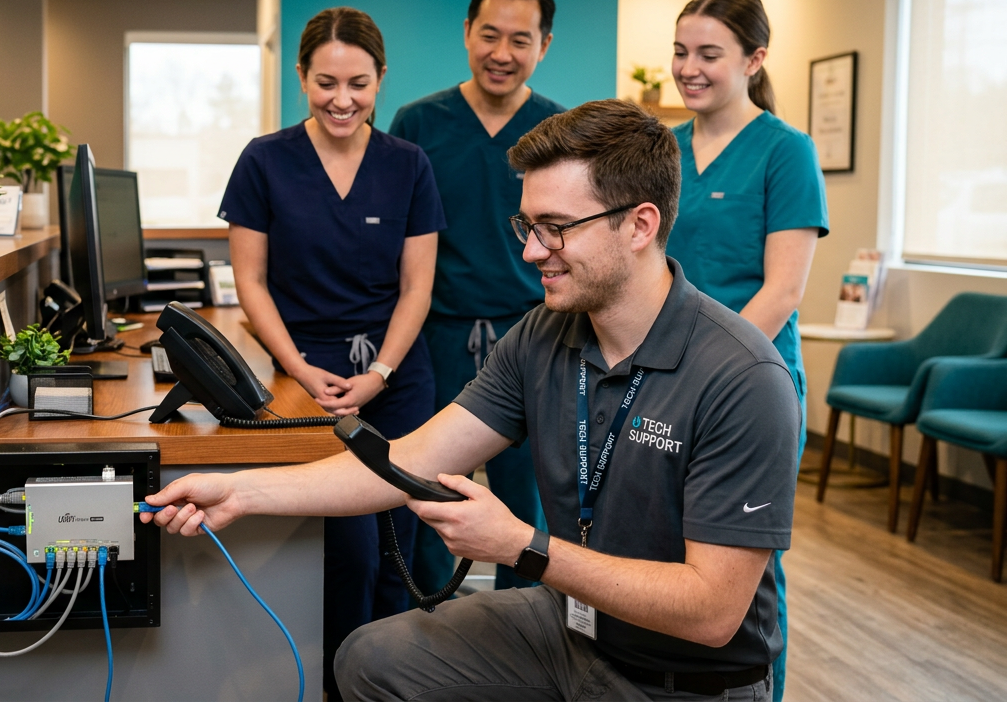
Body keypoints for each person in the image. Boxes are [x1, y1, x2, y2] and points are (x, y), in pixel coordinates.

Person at [152, 100, 799, 701]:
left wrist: (521, 544)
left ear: (640, 224)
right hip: (570, 627)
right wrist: (241, 492)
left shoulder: (741, 377)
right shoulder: (545, 335)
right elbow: (410, 457)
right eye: (527, 224)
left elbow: (713, 613)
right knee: (369, 657)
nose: (530, 251)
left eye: (555, 229)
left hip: (682, 676)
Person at [216, 6, 446, 698]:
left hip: (396, 377)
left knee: (401, 551)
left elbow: (418, 288)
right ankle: (338, 686)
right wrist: (295, 367)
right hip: (305, 381)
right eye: (325, 83)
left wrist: (378, 373)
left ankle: (395, 683)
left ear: (380, 80)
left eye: (358, 83)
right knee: (345, 552)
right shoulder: (265, 160)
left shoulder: (408, 164)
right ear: (301, 77)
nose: (342, 99)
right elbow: (250, 281)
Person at [665, 0, 829, 702]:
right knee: (666, 555)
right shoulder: (661, 150)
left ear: (755, 59)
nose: (688, 68)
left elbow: (782, 292)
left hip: (748, 387)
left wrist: (700, 371)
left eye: (709, 54)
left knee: (746, 564)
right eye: (680, 51)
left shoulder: (786, 151)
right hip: (664, 380)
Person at [388, 0, 565, 595]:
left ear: (544, 45)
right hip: (435, 336)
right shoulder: (418, 125)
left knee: (528, 502)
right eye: (489, 35)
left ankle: (525, 640)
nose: (502, 53)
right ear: (466, 33)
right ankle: (428, 632)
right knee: (429, 490)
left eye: (521, 40)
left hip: (536, 334)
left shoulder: (561, 133)